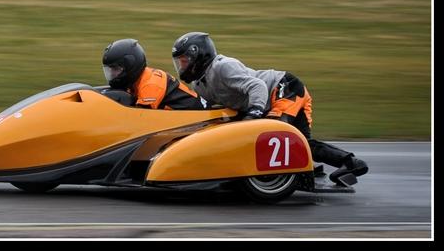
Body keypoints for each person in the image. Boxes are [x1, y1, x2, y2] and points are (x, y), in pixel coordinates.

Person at [170, 31, 369, 186]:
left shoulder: (223, 66)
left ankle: (345, 164)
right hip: (267, 100)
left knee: (276, 134)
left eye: (184, 61)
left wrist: (254, 113)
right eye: (180, 62)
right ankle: (337, 166)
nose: (182, 67)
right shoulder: (199, 83)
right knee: (299, 143)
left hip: (284, 87)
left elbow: (257, 86)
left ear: (199, 55)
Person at [101, 38, 207, 110]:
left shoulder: (150, 85)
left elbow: (140, 118)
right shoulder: (138, 79)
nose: (112, 74)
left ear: (130, 66)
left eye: (115, 69)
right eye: (109, 70)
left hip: (198, 122)